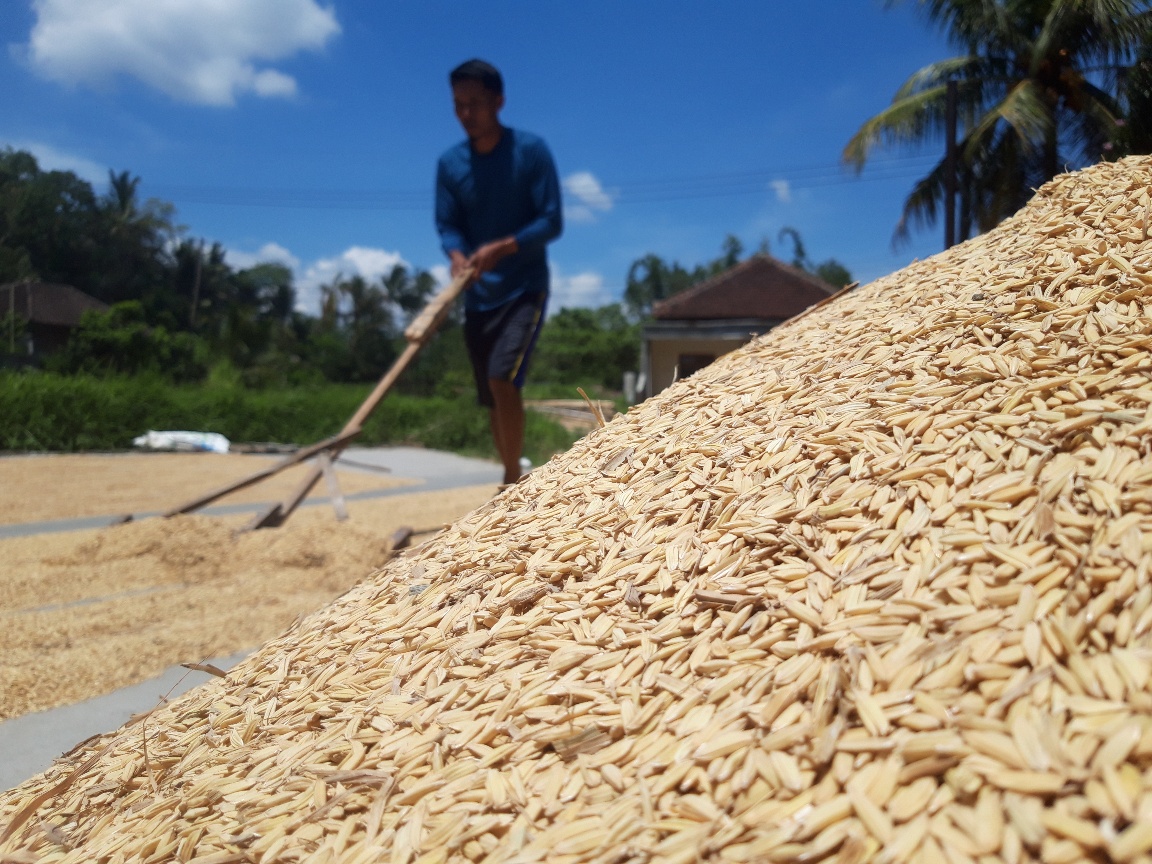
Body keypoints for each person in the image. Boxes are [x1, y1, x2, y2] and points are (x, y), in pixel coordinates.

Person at [435, 59, 563, 486]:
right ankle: (508, 474)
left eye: (475, 104)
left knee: (501, 377)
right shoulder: (451, 165)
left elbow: (551, 220)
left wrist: (505, 246)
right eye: (458, 105)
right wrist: (456, 255)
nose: (466, 115)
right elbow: (448, 224)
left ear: (499, 102)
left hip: (524, 287)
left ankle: (511, 478)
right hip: (477, 295)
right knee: (491, 394)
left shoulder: (530, 153)